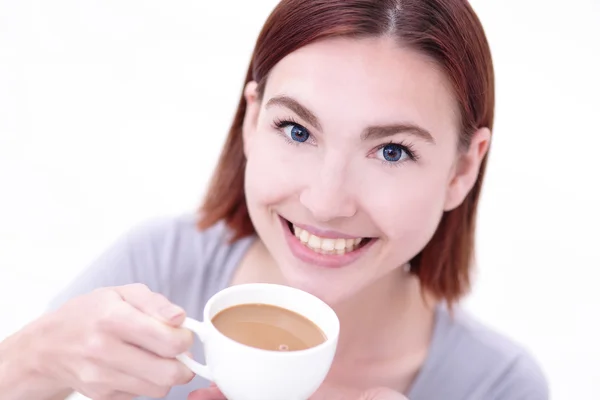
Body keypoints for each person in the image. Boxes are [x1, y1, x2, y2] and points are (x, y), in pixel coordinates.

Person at [0, 0, 549, 399]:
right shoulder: (157, 268)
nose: (326, 201)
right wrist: (36, 358)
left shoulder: (499, 387)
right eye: (297, 131)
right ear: (251, 122)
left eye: (391, 152)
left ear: (462, 169)